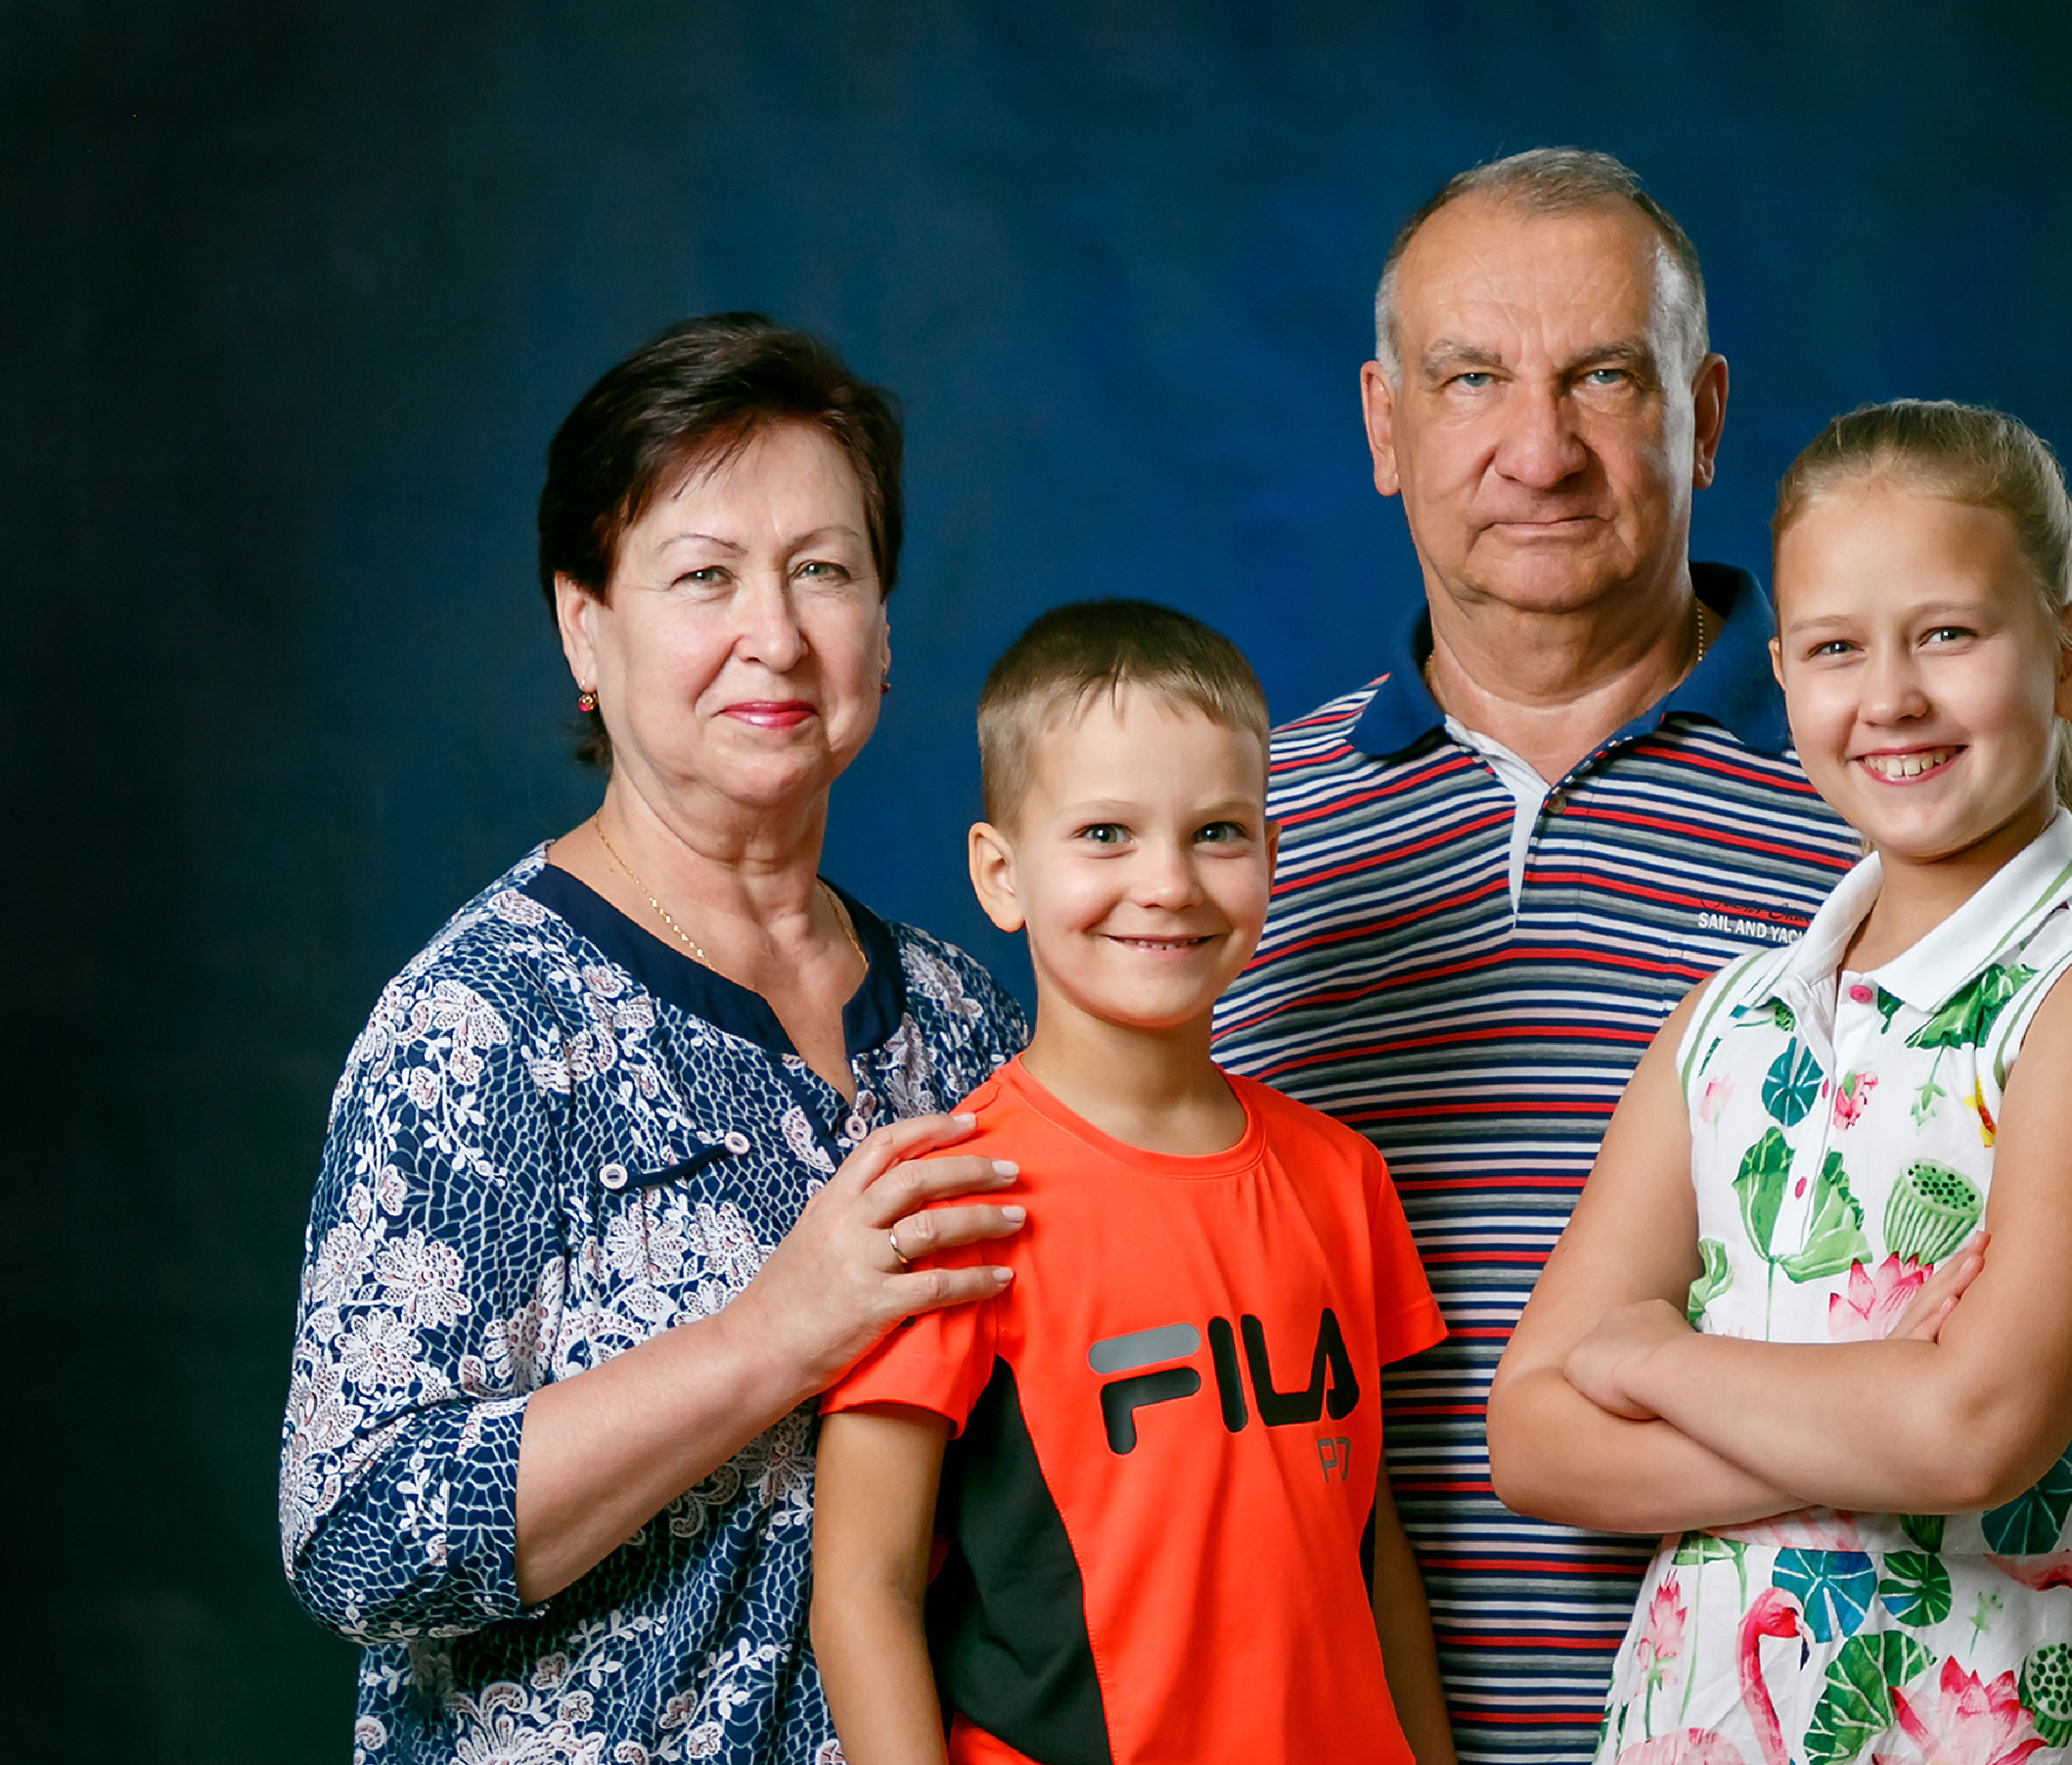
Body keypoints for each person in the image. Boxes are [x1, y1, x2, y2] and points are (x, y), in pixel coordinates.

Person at [280, 313, 1033, 1765]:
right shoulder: (486, 1023)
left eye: (825, 569)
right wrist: (771, 1336)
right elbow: (356, 1539)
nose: (779, 632)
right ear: (587, 625)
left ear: (880, 622)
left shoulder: (963, 1019)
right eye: (705, 576)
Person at [1211, 149, 1862, 1758]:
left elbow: (2049, 1348)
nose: (1539, 449)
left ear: (1703, 412)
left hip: (1791, 1716)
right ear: (1383, 425)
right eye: (1473, 379)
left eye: (1602, 379)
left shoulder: (1883, 820)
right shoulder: (1220, 841)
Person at [1491, 400, 2072, 1763]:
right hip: (1696, 1723)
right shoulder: (1727, 1022)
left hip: (2001, 1721)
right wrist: (1874, 1414)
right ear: (1784, 681)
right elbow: (1536, 1439)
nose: (1890, 696)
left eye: (1948, 634)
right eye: (1837, 649)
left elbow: (1972, 1434)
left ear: (2071, 657)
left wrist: (1656, 1357)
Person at [812, 601, 1460, 1765]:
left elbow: (1371, 1535)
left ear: (1270, 852)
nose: (1166, 882)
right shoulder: (952, 1195)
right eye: (1105, 834)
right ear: (1001, 875)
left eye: (1217, 831)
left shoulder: (1341, 1177)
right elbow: (861, 1586)